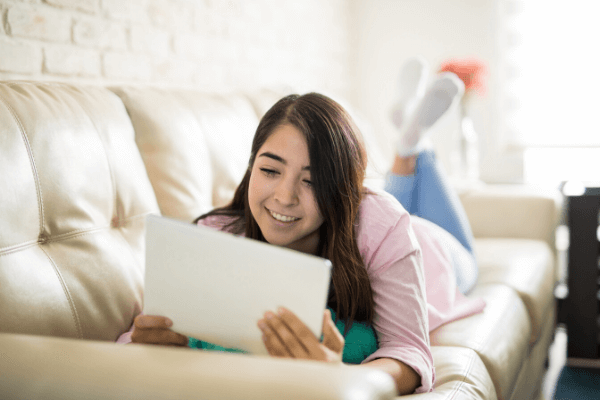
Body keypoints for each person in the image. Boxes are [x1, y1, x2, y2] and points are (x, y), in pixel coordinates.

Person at [121, 82, 485, 395]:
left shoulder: (384, 225)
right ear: (251, 168)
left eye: (311, 180)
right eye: (269, 170)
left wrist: (340, 376)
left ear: (339, 187)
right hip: (372, 222)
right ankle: (408, 146)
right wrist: (142, 344)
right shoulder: (217, 235)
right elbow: (130, 344)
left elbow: (408, 351)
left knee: (464, 253)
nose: (284, 196)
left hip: (434, 255)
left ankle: (412, 150)